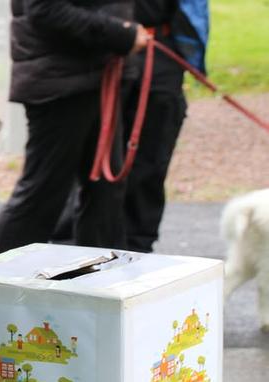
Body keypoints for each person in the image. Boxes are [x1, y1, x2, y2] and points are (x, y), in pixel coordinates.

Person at [0, 0, 151, 257]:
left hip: (96, 77)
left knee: (105, 193)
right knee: (42, 193)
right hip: (61, 83)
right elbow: (46, 10)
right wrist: (121, 34)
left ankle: (100, 284)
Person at [121, 0, 208, 252]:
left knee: (152, 157)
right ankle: (82, 246)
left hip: (160, 49)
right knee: (100, 160)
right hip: (108, 48)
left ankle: (139, 247)